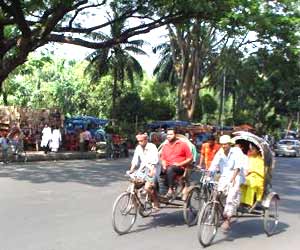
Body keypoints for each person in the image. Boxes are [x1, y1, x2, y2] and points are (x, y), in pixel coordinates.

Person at [209, 134, 245, 231]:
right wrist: (209, 173)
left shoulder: (236, 151)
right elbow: (214, 164)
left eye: (225, 144)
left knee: (230, 197)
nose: (223, 146)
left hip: (236, 175)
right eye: (222, 144)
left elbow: (238, 166)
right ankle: (219, 212)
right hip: (224, 175)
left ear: (229, 144)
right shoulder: (220, 152)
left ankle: (227, 219)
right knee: (217, 193)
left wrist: (233, 178)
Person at [128, 132, 161, 211]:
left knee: (147, 187)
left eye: (141, 141)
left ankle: (156, 202)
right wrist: (131, 170)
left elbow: (154, 161)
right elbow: (135, 160)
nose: (140, 143)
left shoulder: (152, 147)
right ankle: (135, 203)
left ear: (146, 140)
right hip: (143, 168)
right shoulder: (138, 147)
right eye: (138, 141)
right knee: (132, 185)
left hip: (154, 168)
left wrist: (151, 172)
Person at [160, 128, 193, 199]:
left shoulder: (183, 145)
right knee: (156, 169)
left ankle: (170, 190)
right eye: (168, 134)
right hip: (168, 167)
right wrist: (163, 164)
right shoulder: (165, 146)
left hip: (179, 168)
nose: (169, 136)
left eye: (171, 134)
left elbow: (190, 158)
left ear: (175, 135)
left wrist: (179, 164)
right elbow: (163, 158)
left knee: (170, 169)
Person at [240, 143, 265, 207]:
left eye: (253, 149)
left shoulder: (261, 160)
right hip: (248, 176)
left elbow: (261, 171)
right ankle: (242, 201)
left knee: (251, 184)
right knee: (241, 183)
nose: (251, 151)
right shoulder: (249, 158)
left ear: (257, 151)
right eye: (251, 149)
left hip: (258, 178)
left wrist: (252, 170)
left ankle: (248, 203)